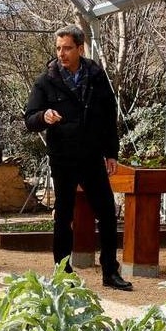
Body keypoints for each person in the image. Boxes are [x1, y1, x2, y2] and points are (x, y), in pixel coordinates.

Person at [24, 24, 133, 291]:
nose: (62, 53)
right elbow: (29, 119)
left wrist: (111, 153)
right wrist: (44, 117)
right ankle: (63, 272)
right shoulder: (45, 80)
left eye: (67, 48)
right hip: (62, 157)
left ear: (80, 48)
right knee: (63, 215)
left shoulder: (97, 76)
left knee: (107, 213)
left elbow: (109, 117)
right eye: (58, 48)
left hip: (92, 155)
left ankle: (110, 271)